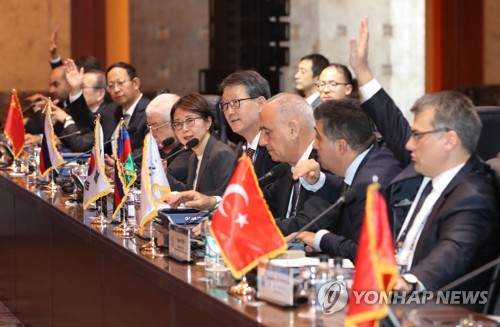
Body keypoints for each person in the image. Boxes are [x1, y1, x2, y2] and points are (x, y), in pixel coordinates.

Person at [350, 17, 498, 292]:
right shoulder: (431, 165)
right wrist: (362, 70)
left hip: (438, 310)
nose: (408, 144)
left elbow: (453, 251)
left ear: (449, 140)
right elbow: (392, 124)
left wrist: (407, 282)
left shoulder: (473, 195)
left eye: (418, 135)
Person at [291, 98, 403, 259]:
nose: (314, 145)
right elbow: (350, 189)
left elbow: (366, 253)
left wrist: (320, 239)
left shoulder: (369, 185)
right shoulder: (377, 158)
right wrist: (320, 181)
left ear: (341, 146)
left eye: (319, 138)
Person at [167, 93, 237, 196]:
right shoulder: (194, 157)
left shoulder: (221, 154)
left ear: (208, 122)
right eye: (178, 124)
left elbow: (227, 196)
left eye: (190, 121)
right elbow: (191, 193)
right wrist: (162, 173)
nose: (184, 129)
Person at [218, 70, 277, 177]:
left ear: (260, 103)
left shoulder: (276, 148)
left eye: (236, 102)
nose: (229, 112)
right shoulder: (241, 150)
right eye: (225, 105)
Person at [101, 62, 150, 159]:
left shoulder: (149, 112)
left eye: (120, 83)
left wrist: (118, 162)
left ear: (135, 83)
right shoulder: (110, 111)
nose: (116, 89)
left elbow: (147, 150)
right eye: (111, 86)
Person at [145, 93, 191, 184]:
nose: (151, 133)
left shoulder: (188, 147)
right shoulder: (159, 145)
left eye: (155, 127)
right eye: (149, 127)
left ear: (173, 124)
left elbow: (163, 178)